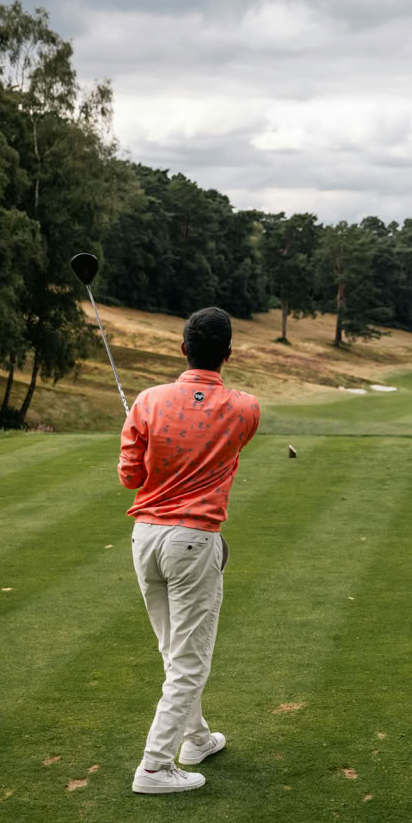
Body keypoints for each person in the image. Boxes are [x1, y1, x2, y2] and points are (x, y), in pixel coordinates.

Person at [118, 307, 260, 794]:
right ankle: (155, 766)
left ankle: (196, 739)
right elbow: (227, 440)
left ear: (183, 348)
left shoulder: (147, 401)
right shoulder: (245, 408)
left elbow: (130, 478)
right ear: (228, 354)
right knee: (188, 661)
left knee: (172, 650)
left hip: (146, 538)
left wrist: (141, 430)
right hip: (193, 541)